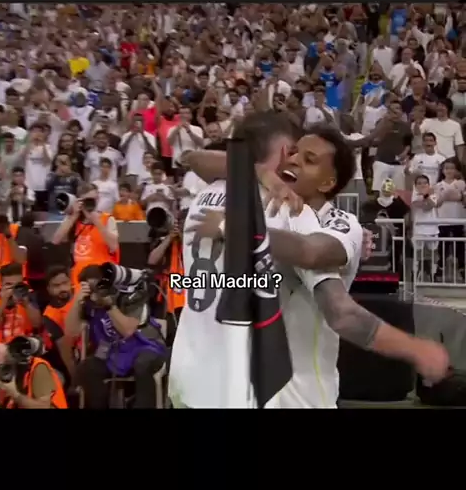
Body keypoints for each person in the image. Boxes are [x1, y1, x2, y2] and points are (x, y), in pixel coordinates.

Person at [173, 112, 449, 408]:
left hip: (223, 384)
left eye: (309, 159)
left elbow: (314, 258)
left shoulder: (327, 221)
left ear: (329, 181)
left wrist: (235, 223)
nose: (293, 161)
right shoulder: (281, 208)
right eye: (293, 153)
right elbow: (340, 311)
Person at [66, 265, 167, 409]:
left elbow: (128, 331)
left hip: (145, 346)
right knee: (87, 368)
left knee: (143, 365)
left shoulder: (129, 296)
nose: (96, 292)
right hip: (112, 352)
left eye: (99, 286)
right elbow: (71, 331)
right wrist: (76, 302)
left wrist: (109, 306)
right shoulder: (88, 304)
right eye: (91, 288)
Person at [50, 182, 119, 286]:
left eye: (94, 199)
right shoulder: (74, 219)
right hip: (79, 275)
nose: (91, 203)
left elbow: (114, 246)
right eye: (87, 200)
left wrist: (97, 221)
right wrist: (73, 216)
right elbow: (56, 240)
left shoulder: (107, 219)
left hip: (101, 274)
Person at [0, 338, 68, 409]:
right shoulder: (7, 375)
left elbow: (43, 406)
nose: (2, 372)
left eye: (3, 367)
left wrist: (15, 394)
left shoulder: (38, 367)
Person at [0, 262, 42, 344]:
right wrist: (3, 303)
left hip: (24, 345)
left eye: (17, 285)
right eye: (9, 284)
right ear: (1, 284)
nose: (13, 289)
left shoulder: (29, 295)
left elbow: (37, 324)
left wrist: (26, 304)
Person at [43, 265, 78, 382]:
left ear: (71, 282)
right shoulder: (50, 315)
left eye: (65, 283)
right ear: (49, 289)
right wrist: (76, 380)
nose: (62, 288)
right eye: (56, 286)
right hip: (72, 356)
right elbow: (65, 352)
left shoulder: (82, 296)